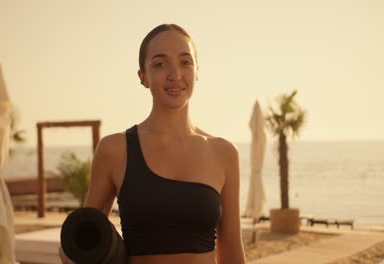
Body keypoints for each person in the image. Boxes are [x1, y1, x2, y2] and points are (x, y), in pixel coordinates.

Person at [60, 23, 246, 264]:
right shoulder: (115, 150)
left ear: (197, 70)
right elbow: (84, 240)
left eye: (185, 62)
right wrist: (68, 252)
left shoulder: (224, 153)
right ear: (143, 77)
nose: (174, 74)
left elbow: (231, 249)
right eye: (159, 64)